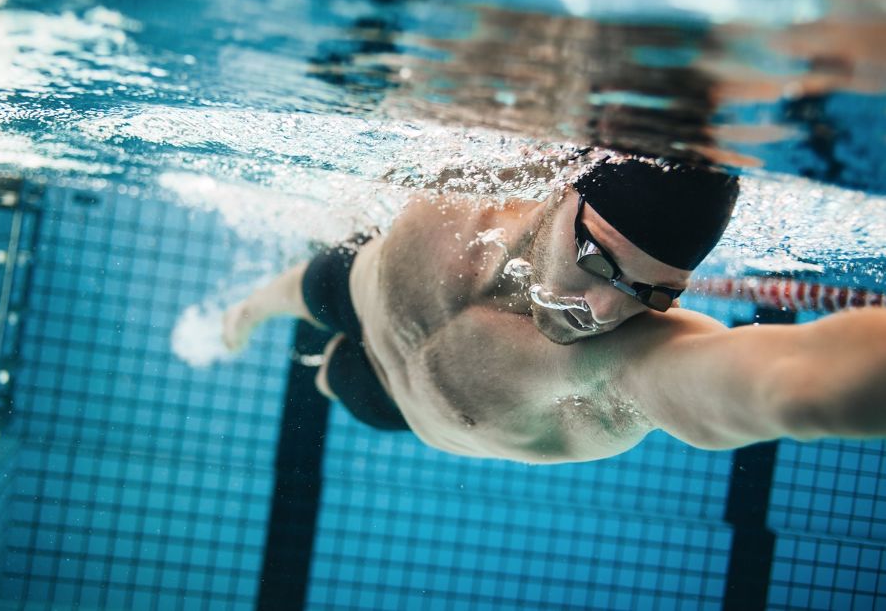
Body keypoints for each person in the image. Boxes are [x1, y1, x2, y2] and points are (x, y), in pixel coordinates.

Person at [222, 152, 886, 464]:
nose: (602, 309)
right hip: (359, 284)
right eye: (599, 261)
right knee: (292, 292)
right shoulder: (482, 169)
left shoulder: (620, 365)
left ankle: (313, 359)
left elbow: (789, 381)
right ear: (562, 194)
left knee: (329, 376)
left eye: (648, 293)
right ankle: (243, 317)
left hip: (396, 406)